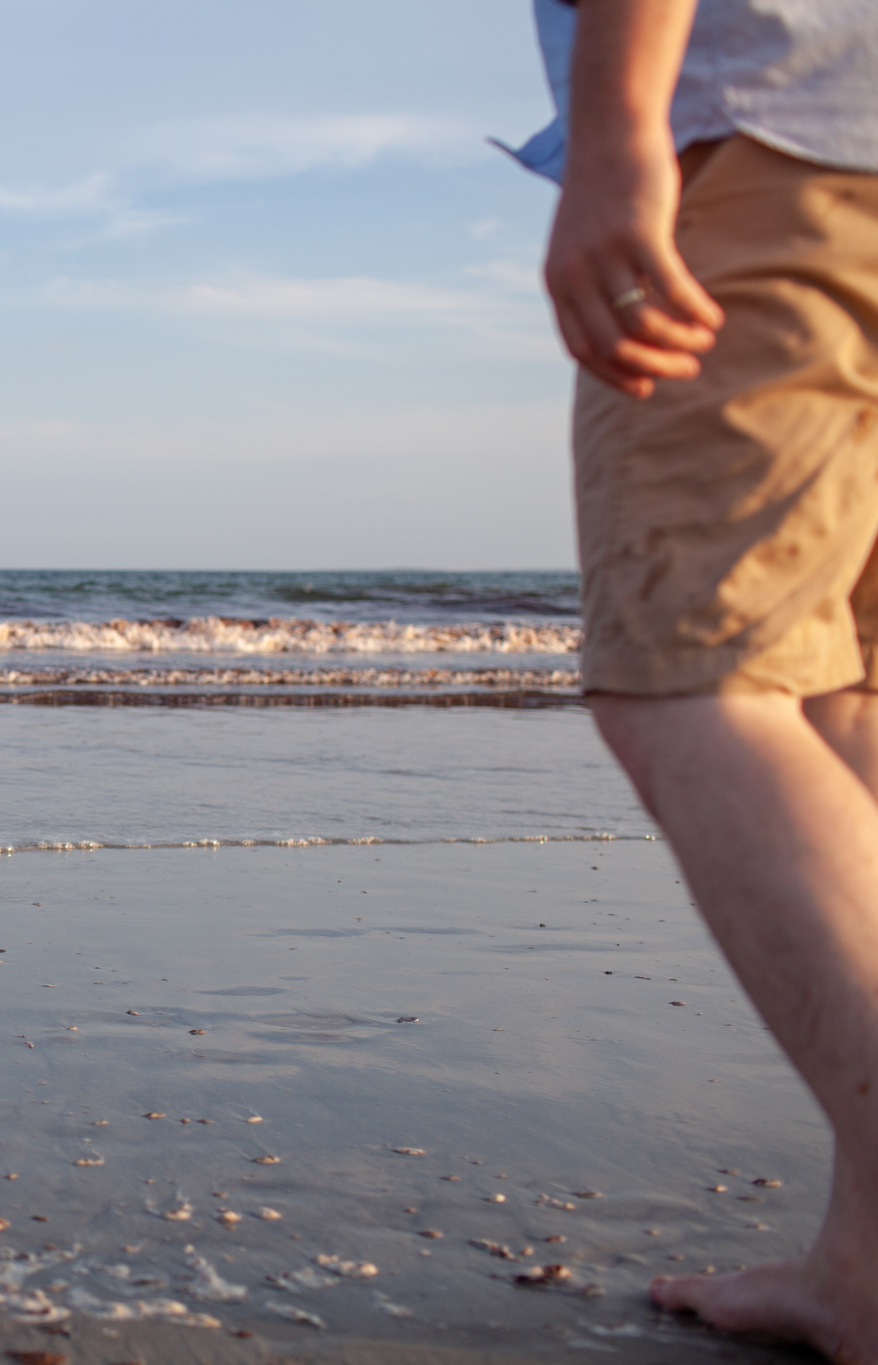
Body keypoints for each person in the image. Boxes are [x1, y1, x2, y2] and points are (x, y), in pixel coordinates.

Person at [513, 0, 878, 1353]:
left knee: (696, 679)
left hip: (777, 129)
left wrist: (618, 134)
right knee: (840, 688)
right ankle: (863, 1259)